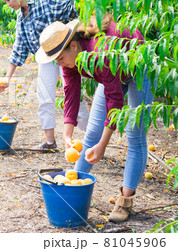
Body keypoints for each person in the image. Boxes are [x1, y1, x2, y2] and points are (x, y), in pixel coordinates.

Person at [36, 19, 153, 223]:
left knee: (135, 136)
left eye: (60, 58)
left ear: (74, 46)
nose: (59, 63)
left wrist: (103, 145)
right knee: (91, 133)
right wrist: (67, 134)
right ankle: (72, 186)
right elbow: (71, 93)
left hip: (139, 67)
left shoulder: (101, 53)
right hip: (113, 74)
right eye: (56, 60)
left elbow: (114, 101)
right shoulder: (71, 57)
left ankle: (125, 202)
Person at [0, 0, 89, 152]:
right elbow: (19, 48)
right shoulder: (21, 19)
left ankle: (91, 138)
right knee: (44, 97)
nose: (8, 4)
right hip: (46, 57)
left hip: (64, 52)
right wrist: (7, 77)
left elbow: (73, 6)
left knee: (73, 94)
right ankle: (49, 142)